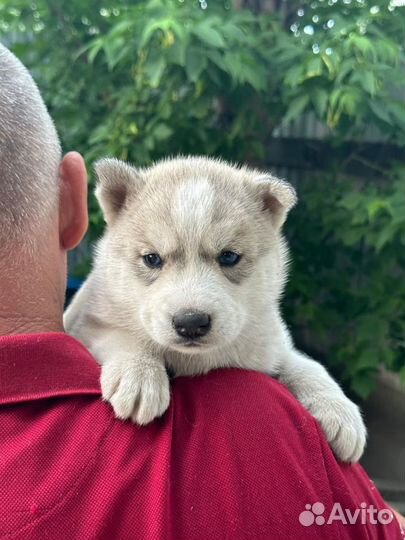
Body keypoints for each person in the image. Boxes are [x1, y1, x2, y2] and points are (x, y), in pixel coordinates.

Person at [0, 43, 402, 540]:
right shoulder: (111, 297)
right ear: (102, 203)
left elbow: (280, 356)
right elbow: (90, 329)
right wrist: (134, 357)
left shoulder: (253, 328)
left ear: (271, 217)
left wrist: (316, 386)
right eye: (153, 260)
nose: (191, 303)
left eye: (228, 258)